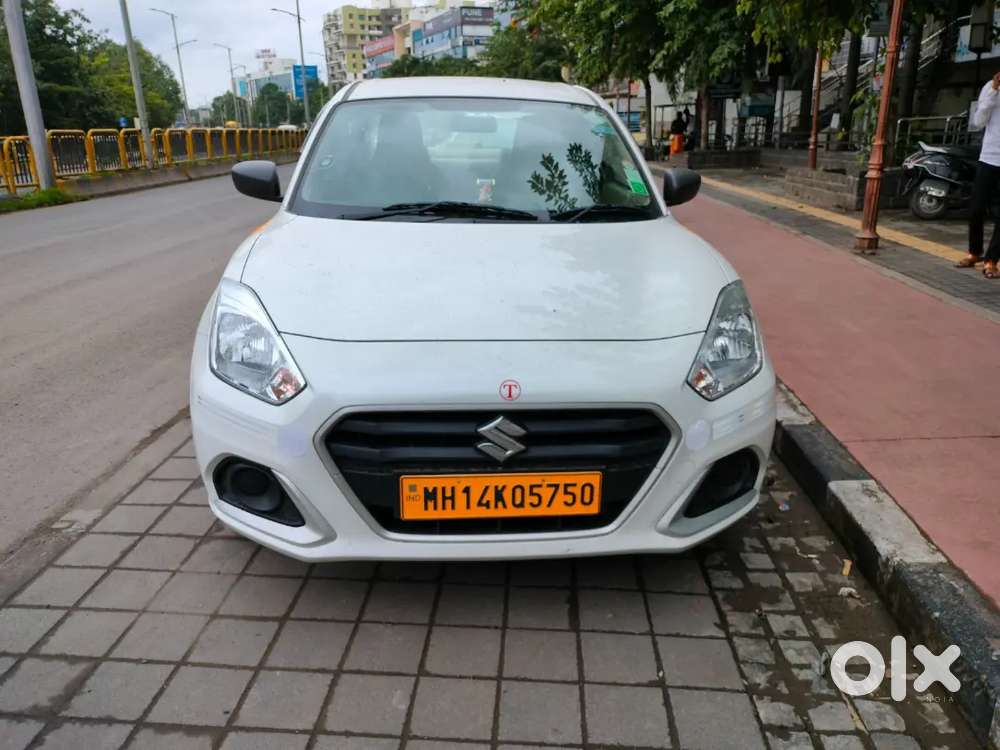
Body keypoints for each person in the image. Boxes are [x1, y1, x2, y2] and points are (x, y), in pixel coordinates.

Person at [961, 71, 1000, 278]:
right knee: (976, 208)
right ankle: (975, 252)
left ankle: (992, 260)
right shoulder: (989, 88)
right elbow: (978, 121)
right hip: (989, 158)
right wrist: (994, 91)